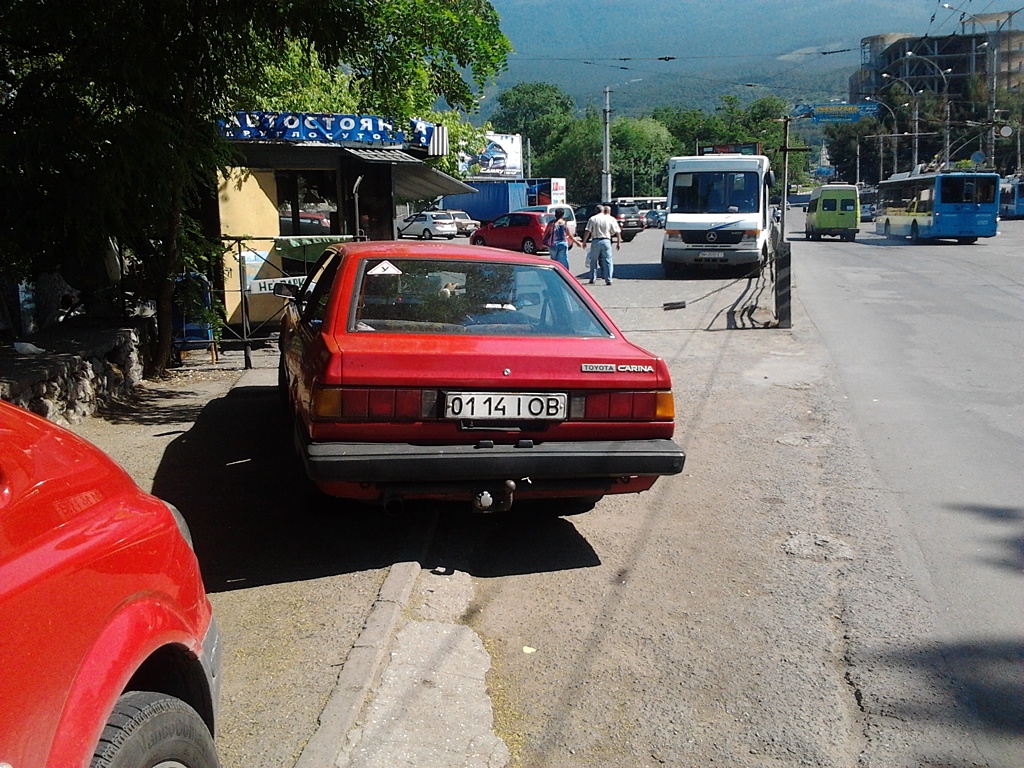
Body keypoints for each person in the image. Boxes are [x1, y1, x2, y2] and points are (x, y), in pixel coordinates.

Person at [581, 205, 621, 285]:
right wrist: (618, 242)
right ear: (603, 210)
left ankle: (592, 278)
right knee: (608, 260)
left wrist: (584, 241)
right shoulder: (610, 219)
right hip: (606, 240)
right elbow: (617, 231)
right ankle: (608, 279)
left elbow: (587, 231)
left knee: (593, 260)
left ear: (596, 211)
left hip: (596, 241)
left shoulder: (592, 219)